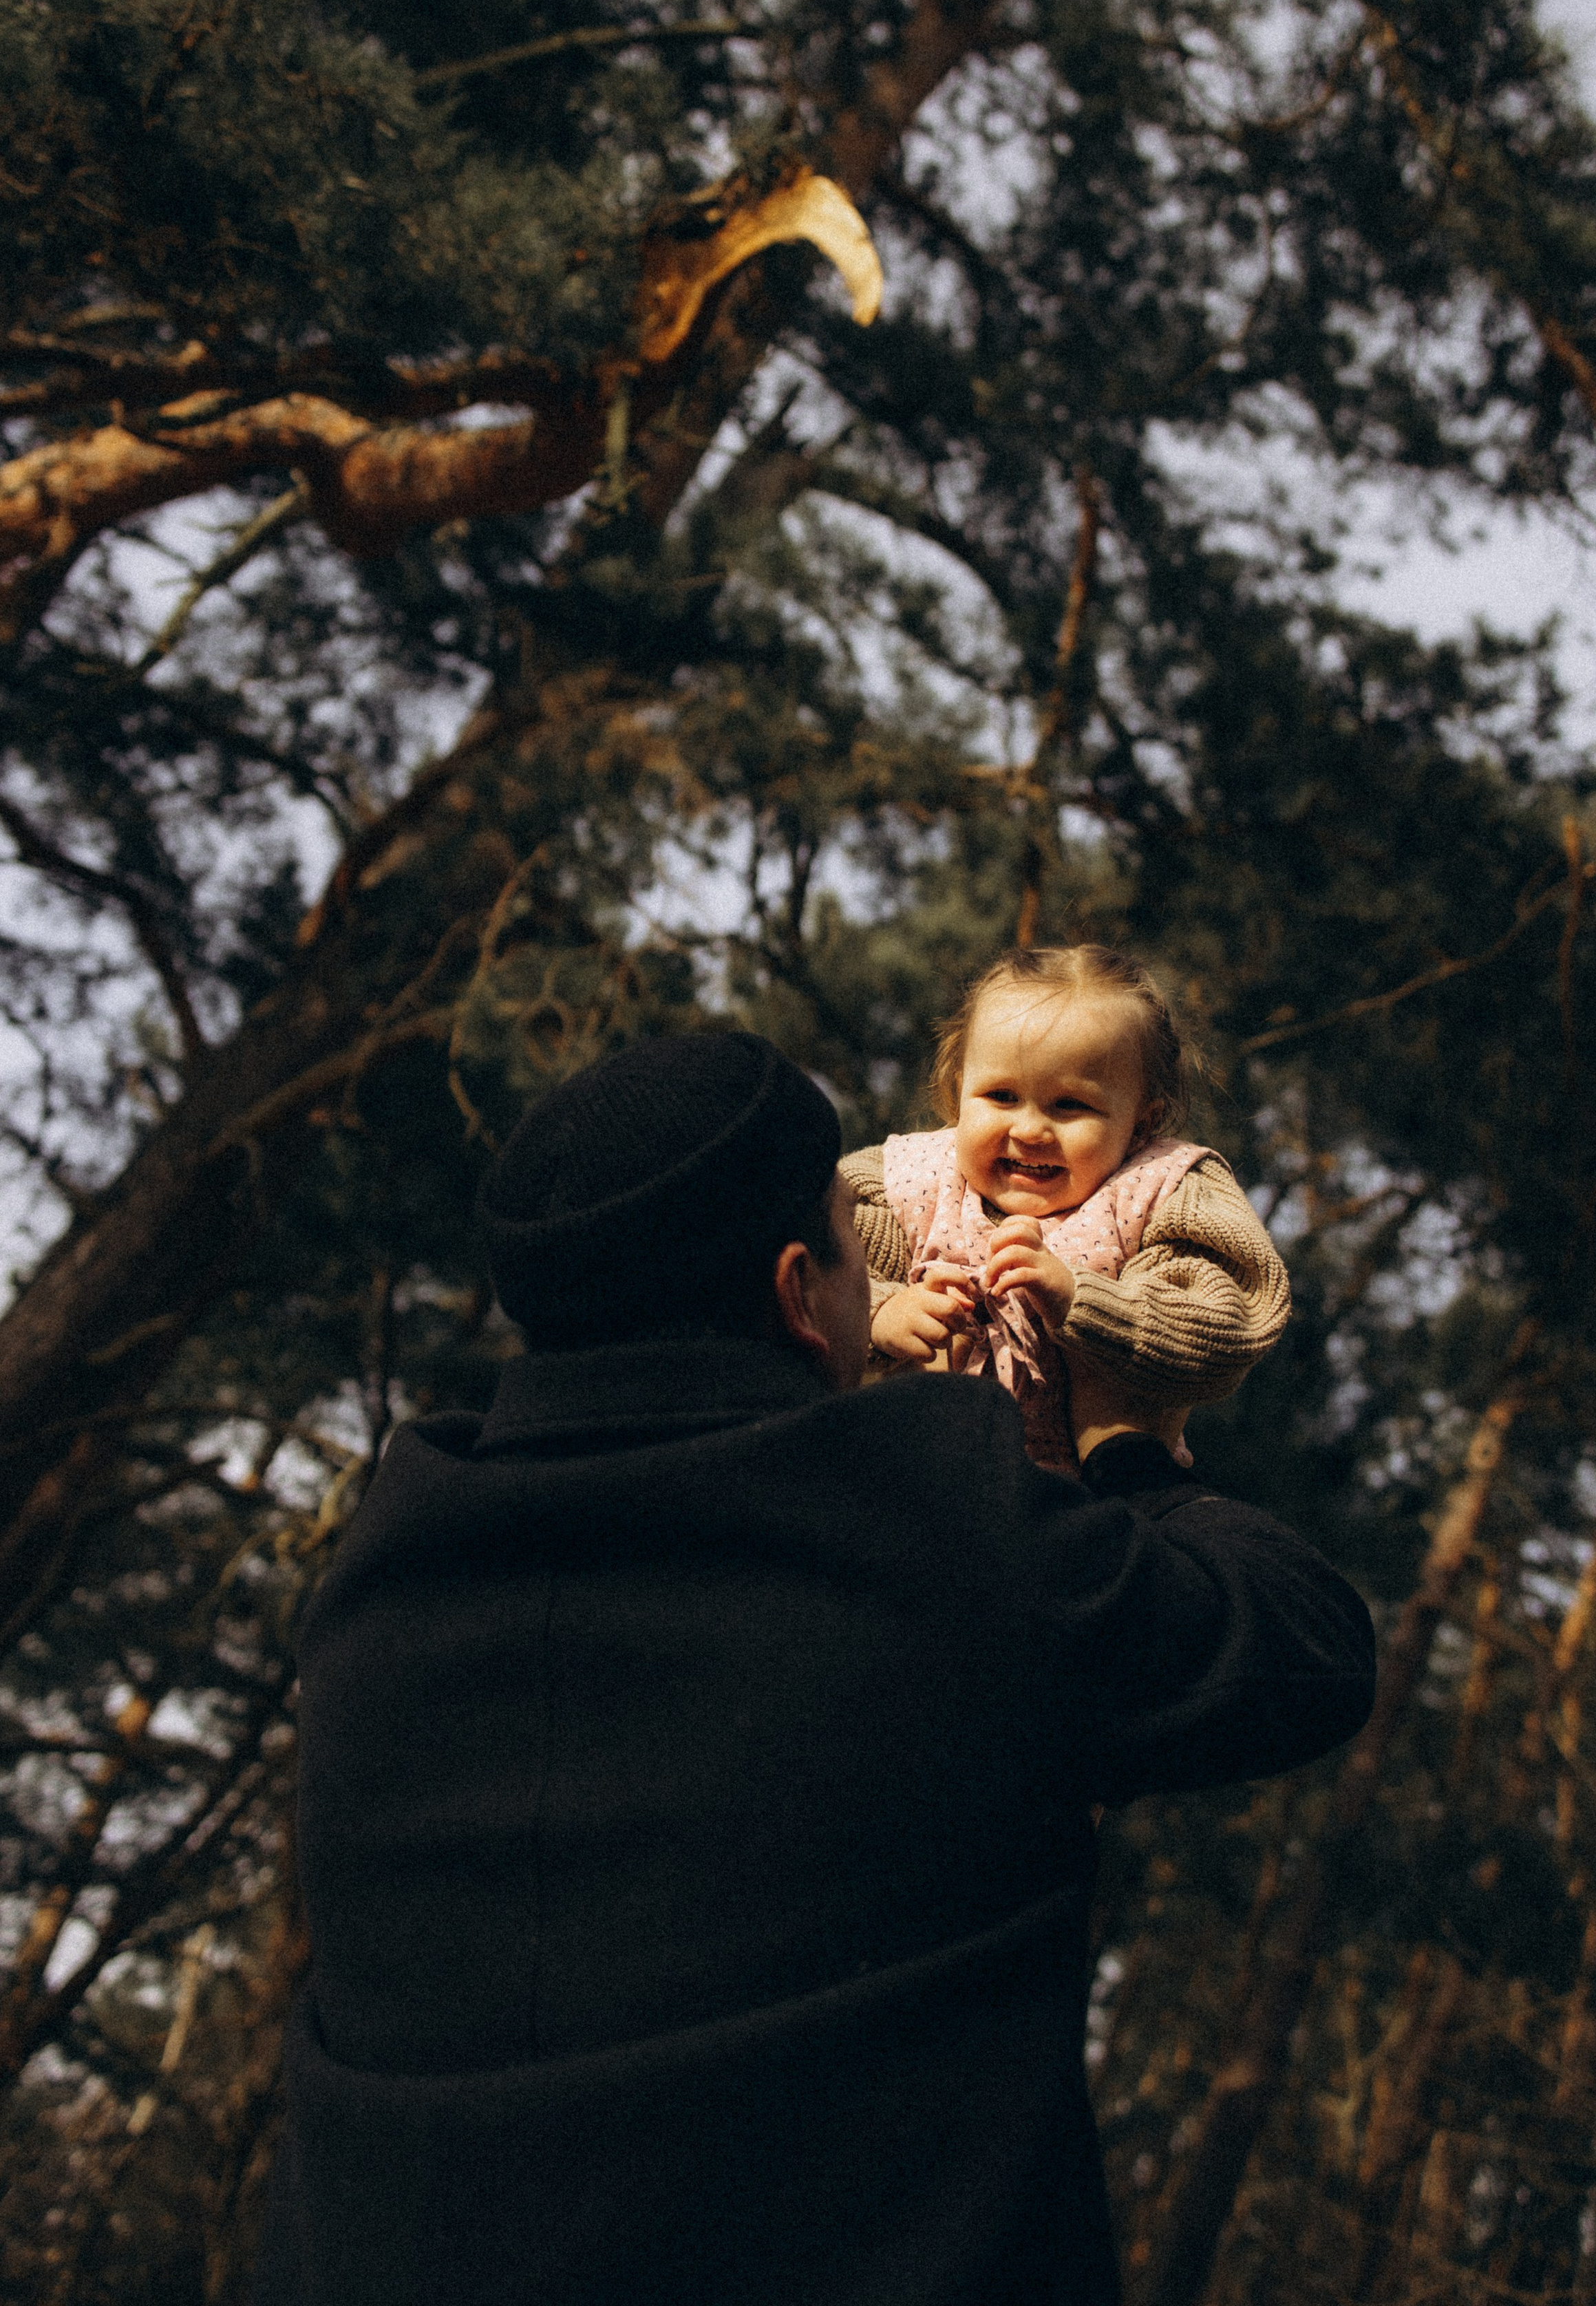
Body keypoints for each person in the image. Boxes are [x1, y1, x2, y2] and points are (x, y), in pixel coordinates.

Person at [255, 1029, 1373, 2306]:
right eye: (860, 1240)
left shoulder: (387, 1572)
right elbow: (1305, 1645)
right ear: (800, 1292)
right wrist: (1123, 1436)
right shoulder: (921, 1519)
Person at [846, 946, 1290, 1472]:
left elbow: (1228, 1325)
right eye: (1002, 1096)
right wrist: (880, 1312)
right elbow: (806, 1271)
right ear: (956, 1090)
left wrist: (1085, 1302)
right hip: (916, 1487)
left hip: (1092, 1504)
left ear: (1141, 1125)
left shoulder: (1159, 1192)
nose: (1030, 1129)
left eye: (1070, 1105)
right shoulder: (907, 1180)